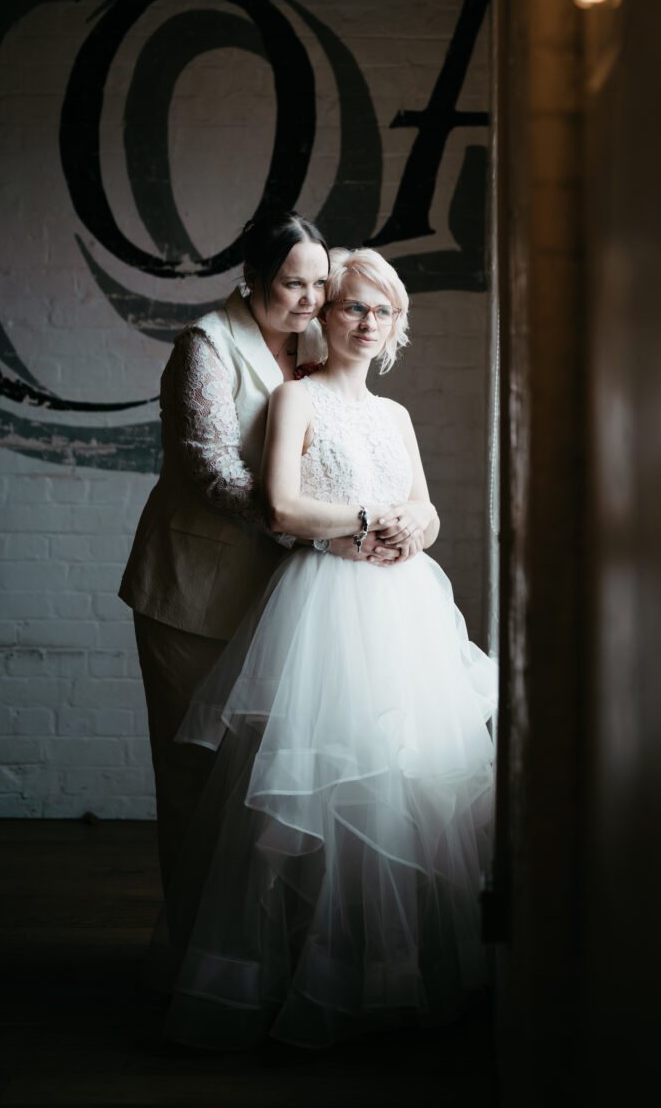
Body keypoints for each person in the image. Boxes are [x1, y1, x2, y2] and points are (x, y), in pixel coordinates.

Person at [162, 247, 497, 1050]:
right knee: (321, 793)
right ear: (326, 315)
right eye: (351, 307)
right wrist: (362, 526)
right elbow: (279, 506)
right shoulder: (294, 397)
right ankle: (306, 974)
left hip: (405, 605)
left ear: (395, 328)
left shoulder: (397, 416)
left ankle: (393, 971)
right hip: (325, 606)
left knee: (407, 786)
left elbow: (425, 509)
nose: (366, 322)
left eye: (381, 311)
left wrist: (415, 527)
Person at [119, 210, 398, 900]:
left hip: (282, 598)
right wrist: (313, 527)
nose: (309, 301)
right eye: (291, 284)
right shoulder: (206, 347)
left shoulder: (309, 355)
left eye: (317, 286)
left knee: (264, 784)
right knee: (196, 775)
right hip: (194, 590)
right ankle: (190, 960)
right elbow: (213, 469)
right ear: (251, 278)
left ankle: (256, 954)